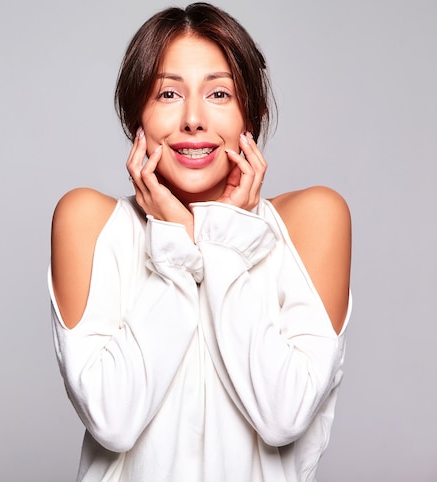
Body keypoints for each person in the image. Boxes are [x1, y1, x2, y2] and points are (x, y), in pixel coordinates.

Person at [48, 3, 352, 481]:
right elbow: (114, 421)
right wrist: (174, 246)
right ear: (137, 119)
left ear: (251, 113)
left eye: (219, 94)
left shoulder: (312, 221)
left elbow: (282, 416)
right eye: (168, 93)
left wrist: (224, 240)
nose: (193, 119)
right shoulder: (89, 220)